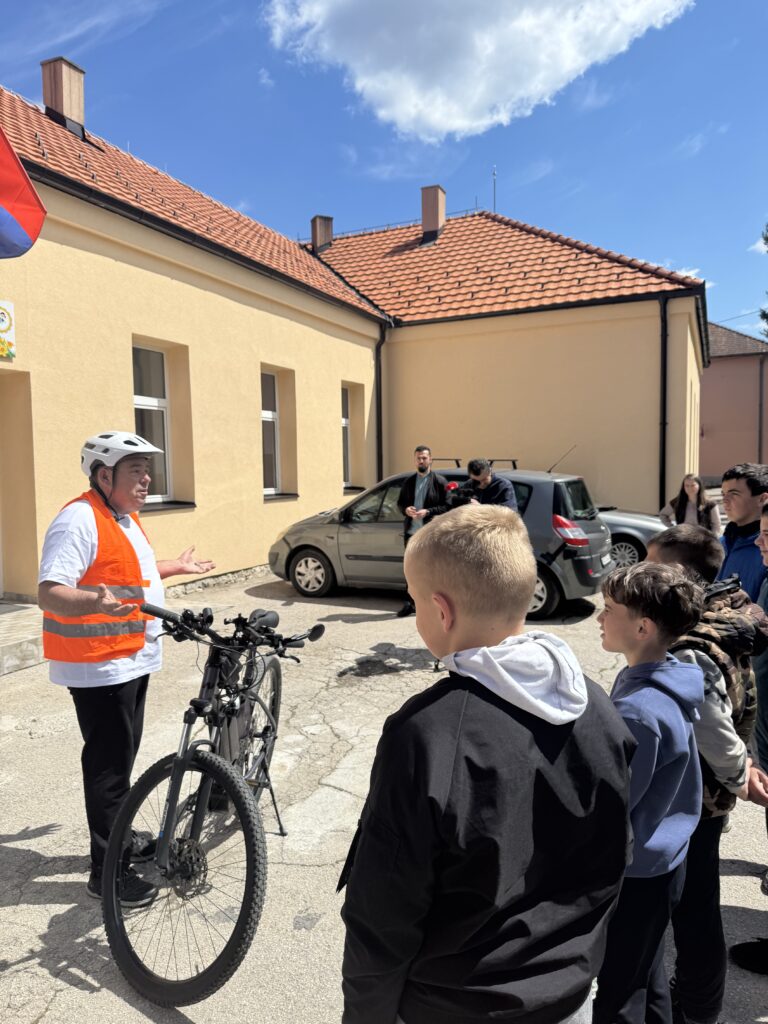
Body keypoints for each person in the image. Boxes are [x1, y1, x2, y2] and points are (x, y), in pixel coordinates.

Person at [339, 504, 636, 1024]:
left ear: (441, 611)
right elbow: (616, 852)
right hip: (568, 998)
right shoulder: (597, 704)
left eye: (414, 601)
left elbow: (384, 911)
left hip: (455, 1007)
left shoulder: (425, 734)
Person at [37, 431, 215, 906]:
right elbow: (50, 592)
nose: (147, 479)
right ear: (104, 476)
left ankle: (119, 837)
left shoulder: (123, 518)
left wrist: (174, 567)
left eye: (147, 470)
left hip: (129, 657)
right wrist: (93, 601)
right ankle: (107, 874)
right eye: (136, 471)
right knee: (109, 768)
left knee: (122, 758)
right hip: (100, 666)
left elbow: (132, 574)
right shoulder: (78, 519)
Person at [645, 524, 768, 1023]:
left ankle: (696, 1006)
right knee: (695, 902)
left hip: (695, 797)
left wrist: (741, 775)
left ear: (676, 575)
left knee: (693, 909)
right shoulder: (722, 616)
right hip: (707, 792)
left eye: (650, 565)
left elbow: (710, 724)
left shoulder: (691, 644)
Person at [593, 562, 704, 1024]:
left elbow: (614, 805)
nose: (599, 617)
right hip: (665, 859)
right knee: (646, 971)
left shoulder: (638, 710)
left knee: (618, 990)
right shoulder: (665, 673)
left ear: (643, 628)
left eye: (608, 609)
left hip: (637, 871)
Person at [395, 445, 449, 617]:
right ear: (415, 460)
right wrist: (406, 510)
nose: (421, 461)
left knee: (432, 571)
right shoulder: (409, 482)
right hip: (412, 534)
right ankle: (410, 603)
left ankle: (434, 606)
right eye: (418, 458)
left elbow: (448, 506)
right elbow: (400, 503)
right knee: (411, 570)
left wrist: (429, 512)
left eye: (424, 458)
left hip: (431, 535)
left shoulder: (440, 482)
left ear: (430, 459)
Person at [717, 463, 768, 600]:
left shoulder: (764, 550)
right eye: (723, 494)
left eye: (734, 494)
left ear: (762, 499)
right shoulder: (719, 544)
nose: (724, 500)